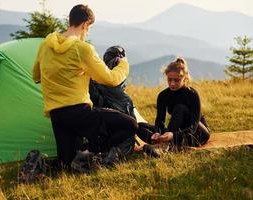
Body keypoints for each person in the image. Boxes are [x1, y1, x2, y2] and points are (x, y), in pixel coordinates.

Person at [32, 4, 137, 172]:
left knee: (67, 164)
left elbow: (36, 75)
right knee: (130, 125)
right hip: (79, 112)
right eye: (89, 29)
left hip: (56, 115)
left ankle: (38, 163)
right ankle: (91, 152)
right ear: (85, 24)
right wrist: (123, 65)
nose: (87, 33)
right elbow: (111, 79)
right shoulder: (83, 49)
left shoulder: (46, 45)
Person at [89, 46, 160, 158]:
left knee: (140, 126)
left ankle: (158, 140)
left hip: (112, 132)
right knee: (139, 126)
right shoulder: (118, 92)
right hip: (120, 136)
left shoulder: (95, 83)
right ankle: (162, 141)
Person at [144, 57, 210, 149]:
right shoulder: (163, 95)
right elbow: (160, 121)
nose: (172, 83)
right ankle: (173, 146)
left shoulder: (193, 94)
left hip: (198, 134)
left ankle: (167, 145)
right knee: (140, 126)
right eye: (169, 79)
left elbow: (193, 126)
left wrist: (173, 135)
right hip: (176, 133)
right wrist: (158, 132)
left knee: (180, 108)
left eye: (176, 80)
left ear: (185, 78)